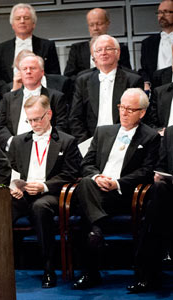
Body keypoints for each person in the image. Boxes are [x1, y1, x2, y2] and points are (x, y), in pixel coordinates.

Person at [71, 88, 161, 290]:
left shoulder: (150, 137)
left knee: (86, 214)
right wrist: (98, 177)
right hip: (96, 191)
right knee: (86, 182)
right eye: (122, 107)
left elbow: (147, 172)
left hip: (124, 195)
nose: (124, 112)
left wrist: (117, 183)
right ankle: (98, 230)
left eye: (130, 109)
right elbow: (86, 163)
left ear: (142, 113)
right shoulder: (103, 131)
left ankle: (92, 260)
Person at [9, 95, 82, 288]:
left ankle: (48, 268)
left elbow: (71, 174)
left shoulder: (67, 141)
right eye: (30, 120)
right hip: (24, 193)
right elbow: (10, 169)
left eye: (38, 119)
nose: (34, 124)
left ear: (49, 114)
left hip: (51, 194)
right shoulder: (18, 142)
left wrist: (44, 186)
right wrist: (14, 186)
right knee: (0, 206)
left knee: (40, 207)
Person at [69, 34, 143, 143]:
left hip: (124, 140)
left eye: (108, 49)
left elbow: (138, 116)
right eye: (99, 50)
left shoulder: (133, 80)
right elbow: (75, 118)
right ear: (94, 56)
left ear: (118, 53)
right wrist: (85, 143)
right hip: (91, 141)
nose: (103, 53)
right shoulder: (83, 80)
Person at [128, 125, 173, 293]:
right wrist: (160, 176)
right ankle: (148, 274)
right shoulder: (170, 133)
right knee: (158, 192)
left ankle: (149, 270)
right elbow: (161, 166)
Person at [0, 54, 67, 151]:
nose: (28, 72)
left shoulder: (56, 97)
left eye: (32, 68)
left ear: (42, 72)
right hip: (15, 151)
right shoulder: (9, 97)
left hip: (46, 149)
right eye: (24, 69)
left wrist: (47, 143)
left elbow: (62, 126)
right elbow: (0, 126)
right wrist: (11, 142)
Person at [0, 3, 60, 97]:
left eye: (26, 18)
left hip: (41, 95)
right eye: (18, 18)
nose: (22, 21)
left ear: (34, 24)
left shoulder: (47, 46)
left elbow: (54, 75)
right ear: (12, 25)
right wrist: (11, 92)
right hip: (10, 95)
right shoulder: (1, 49)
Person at [64, 8, 132, 78]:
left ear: (107, 24)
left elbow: (127, 74)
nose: (95, 28)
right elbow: (69, 76)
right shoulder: (77, 49)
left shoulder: (120, 48)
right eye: (91, 25)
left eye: (99, 24)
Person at [140, 0, 173, 91]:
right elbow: (144, 70)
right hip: (157, 92)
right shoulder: (148, 43)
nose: (161, 16)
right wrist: (146, 82)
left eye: (166, 12)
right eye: (159, 12)